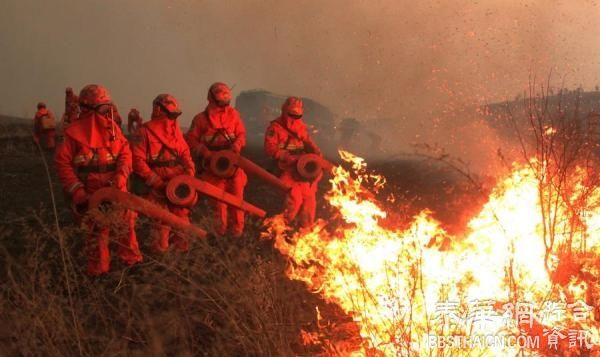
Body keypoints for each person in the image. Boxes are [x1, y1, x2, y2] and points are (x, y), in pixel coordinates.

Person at [54, 84, 142, 276]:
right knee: (96, 232)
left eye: (107, 107)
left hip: (116, 189)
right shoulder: (72, 135)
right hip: (89, 192)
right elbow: (62, 164)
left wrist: (121, 175)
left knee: (126, 224)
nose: (106, 112)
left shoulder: (113, 130)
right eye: (102, 108)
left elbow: (125, 154)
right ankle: (98, 273)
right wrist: (77, 191)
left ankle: (131, 265)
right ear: (89, 108)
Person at [132, 94, 195, 252]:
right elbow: (137, 161)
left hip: (176, 180)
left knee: (180, 218)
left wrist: (189, 172)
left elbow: (185, 153)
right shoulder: (144, 132)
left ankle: (178, 254)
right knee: (161, 219)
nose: (171, 119)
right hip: (157, 182)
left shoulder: (175, 131)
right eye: (171, 114)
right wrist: (156, 181)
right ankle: (161, 256)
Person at [186, 82, 247, 237]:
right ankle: (219, 234)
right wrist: (206, 153)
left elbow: (241, 134)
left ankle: (237, 233)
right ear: (211, 99)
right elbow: (191, 141)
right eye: (220, 104)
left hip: (232, 164)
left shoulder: (234, 115)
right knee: (218, 202)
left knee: (237, 198)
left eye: (225, 104)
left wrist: (237, 146)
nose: (223, 107)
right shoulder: (200, 120)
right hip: (212, 166)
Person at [264, 97, 322, 228]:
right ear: (285, 111)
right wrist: (287, 157)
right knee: (295, 197)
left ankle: (306, 233)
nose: (294, 118)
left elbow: (307, 141)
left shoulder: (300, 126)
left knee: (309, 200)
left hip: (302, 168)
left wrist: (316, 153)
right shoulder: (275, 128)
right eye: (291, 115)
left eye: (297, 116)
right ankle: (281, 228)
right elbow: (269, 148)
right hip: (286, 168)